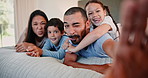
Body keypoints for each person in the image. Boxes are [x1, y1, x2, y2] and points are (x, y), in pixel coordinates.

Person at [63, 7, 116, 74]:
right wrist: (99, 68)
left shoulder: (101, 37)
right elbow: (68, 62)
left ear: (88, 24)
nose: (70, 31)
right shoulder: (73, 39)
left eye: (76, 25)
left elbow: (120, 55)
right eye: (67, 26)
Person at [104, 0, 148, 77]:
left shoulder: (107, 21)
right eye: (89, 13)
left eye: (97, 11)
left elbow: (110, 46)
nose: (94, 15)